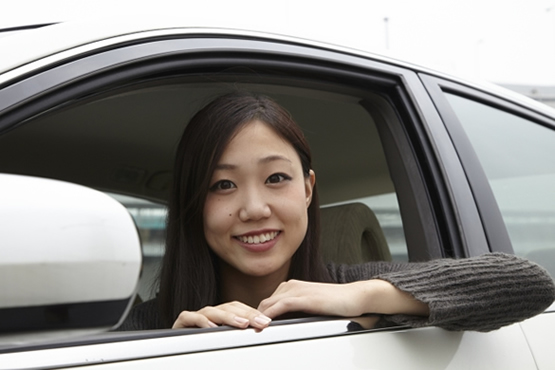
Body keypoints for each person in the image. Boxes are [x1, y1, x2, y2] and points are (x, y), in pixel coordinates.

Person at [119, 91, 555, 332]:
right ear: (194, 205)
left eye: (276, 179)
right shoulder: (144, 327)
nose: (254, 208)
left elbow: (528, 284)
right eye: (223, 185)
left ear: (308, 190)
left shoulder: (354, 290)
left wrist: (358, 296)